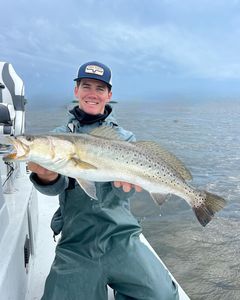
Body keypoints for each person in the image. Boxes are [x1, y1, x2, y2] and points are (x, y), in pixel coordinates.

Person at [28, 61, 179, 300]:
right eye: (86, 86)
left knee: (162, 296)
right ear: (76, 90)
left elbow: (124, 195)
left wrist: (127, 187)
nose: (92, 94)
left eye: (100, 88)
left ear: (109, 95)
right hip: (77, 240)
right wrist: (46, 176)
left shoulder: (125, 139)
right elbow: (57, 186)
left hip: (121, 236)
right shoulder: (59, 135)